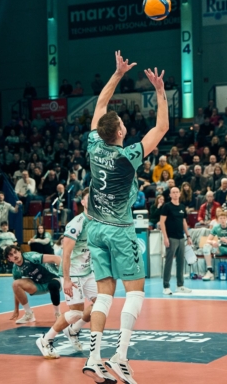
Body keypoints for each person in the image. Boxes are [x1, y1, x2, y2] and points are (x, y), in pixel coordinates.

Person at [83, 52, 168, 383]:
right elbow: (161, 127)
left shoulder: (93, 144)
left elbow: (100, 105)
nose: (122, 123)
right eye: (121, 123)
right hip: (119, 230)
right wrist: (159, 90)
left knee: (105, 294)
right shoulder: (128, 156)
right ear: (120, 132)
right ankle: (120, 357)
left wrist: (117, 74)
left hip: (94, 229)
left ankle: (93, 358)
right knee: (135, 292)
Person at [36, 188, 98, 358]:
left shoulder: (97, 221)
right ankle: (45, 339)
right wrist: (67, 279)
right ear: (83, 202)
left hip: (88, 271)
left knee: (101, 303)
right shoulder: (76, 223)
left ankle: (73, 330)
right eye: (89, 198)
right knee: (76, 312)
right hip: (73, 273)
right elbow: (66, 254)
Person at [159, 186, 193, 295]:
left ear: (179, 194)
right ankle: (166, 286)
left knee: (180, 262)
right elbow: (162, 222)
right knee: (169, 262)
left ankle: (180, 285)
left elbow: (184, 222)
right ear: (170, 195)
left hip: (181, 238)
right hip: (171, 238)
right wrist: (165, 237)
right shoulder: (167, 206)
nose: (175, 194)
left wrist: (188, 236)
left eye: (177, 192)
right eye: (173, 192)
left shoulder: (182, 207)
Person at [202, 213, 227, 281]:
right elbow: (207, 240)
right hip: (220, 249)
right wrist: (213, 242)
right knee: (206, 246)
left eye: (224, 218)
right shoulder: (216, 227)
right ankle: (209, 271)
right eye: (221, 218)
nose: (222, 220)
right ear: (218, 220)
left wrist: (226, 241)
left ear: (226, 219)